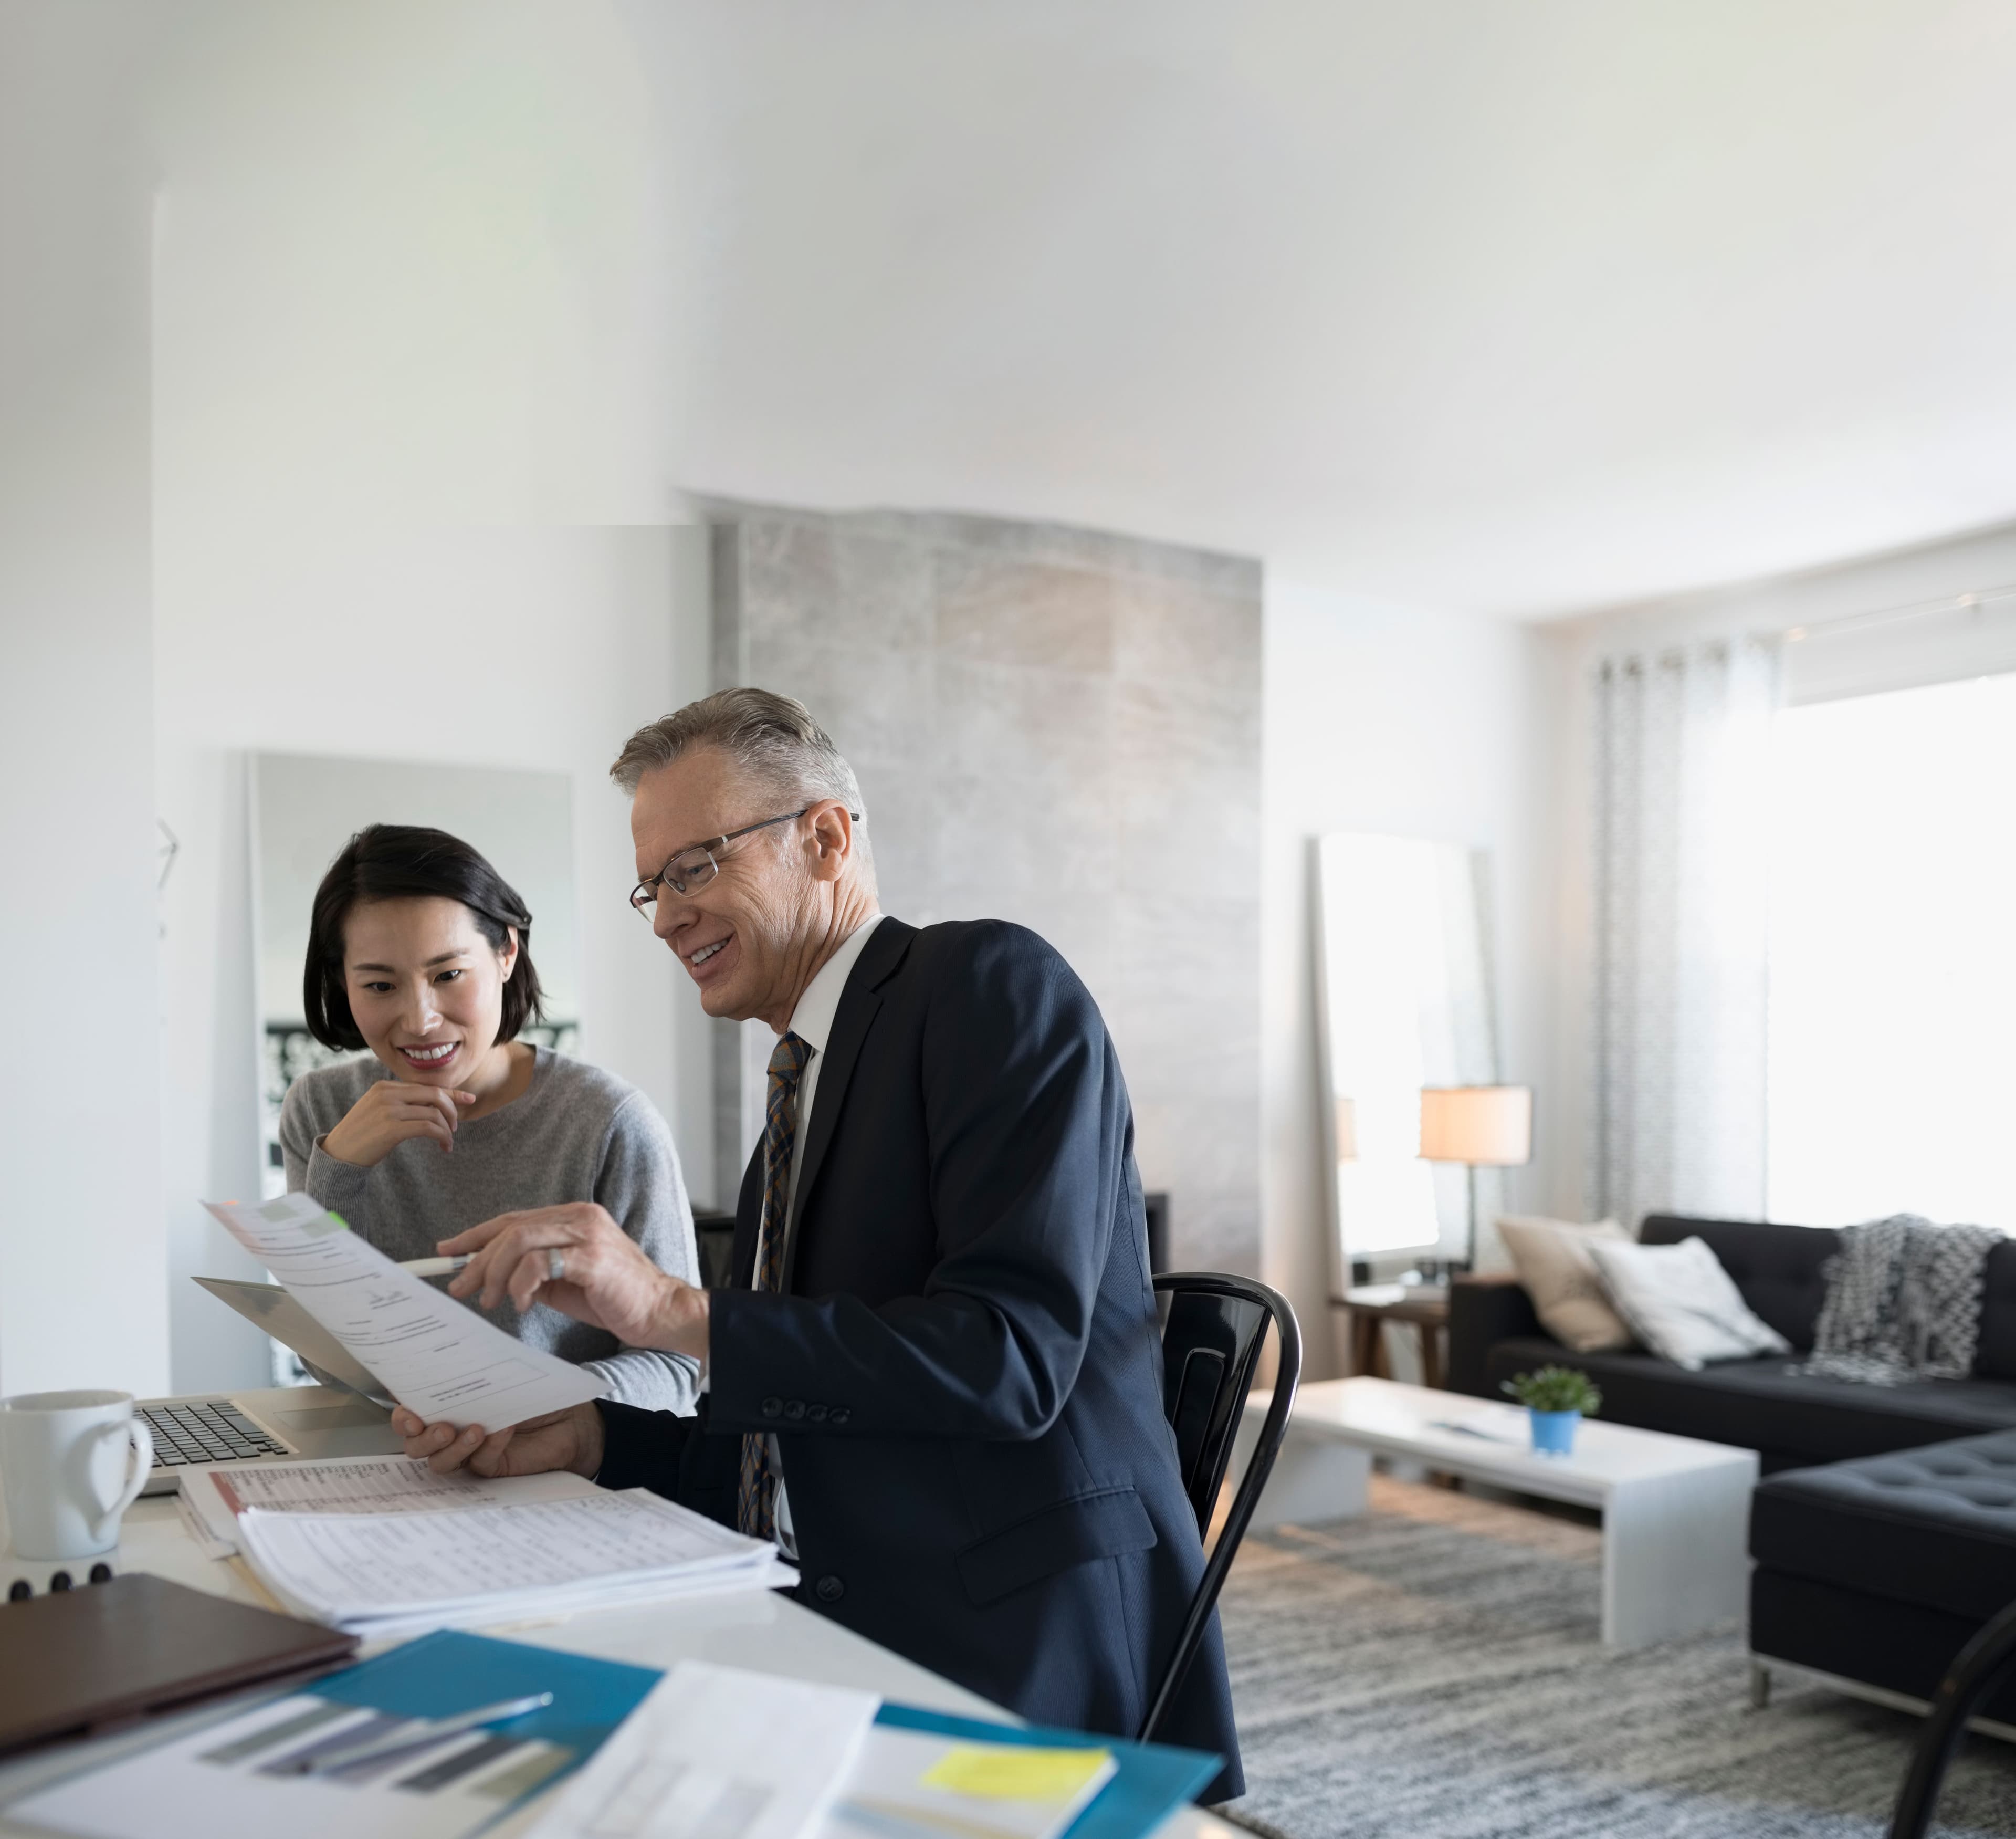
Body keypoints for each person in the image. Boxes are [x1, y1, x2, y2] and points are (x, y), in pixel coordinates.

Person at [392, 691, 1242, 1797]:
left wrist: (672, 1309)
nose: (664, 917)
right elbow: (786, 1425)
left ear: (827, 837)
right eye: (654, 886)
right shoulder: (801, 1088)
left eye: (695, 867)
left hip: (1015, 1636)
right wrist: (587, 1438)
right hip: (825, 1601)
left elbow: (1008, 1359)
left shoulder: (986, 985)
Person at [279, 823, 701, 1412]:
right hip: (391, 1464)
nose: (420, 1019)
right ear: (341, 984)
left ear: (506, 952)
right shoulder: (322, 1114)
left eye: (448, 975)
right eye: (379, 984)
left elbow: (679, 1366)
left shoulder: (610, 1122)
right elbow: (329, 1366)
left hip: (563, 1474)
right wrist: (339, 1172)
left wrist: (530, 1415)